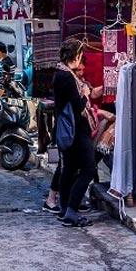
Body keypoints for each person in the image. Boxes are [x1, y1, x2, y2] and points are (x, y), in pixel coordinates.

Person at [51, 39, 96, 227]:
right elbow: (78, 105)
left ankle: (64, 209)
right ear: (76, 56)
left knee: (68, 168)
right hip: (76, 130)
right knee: (88, 169)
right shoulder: (68, 77)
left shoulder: (59, 73)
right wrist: (85, 93)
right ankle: (71, 211)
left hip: (67, 129)